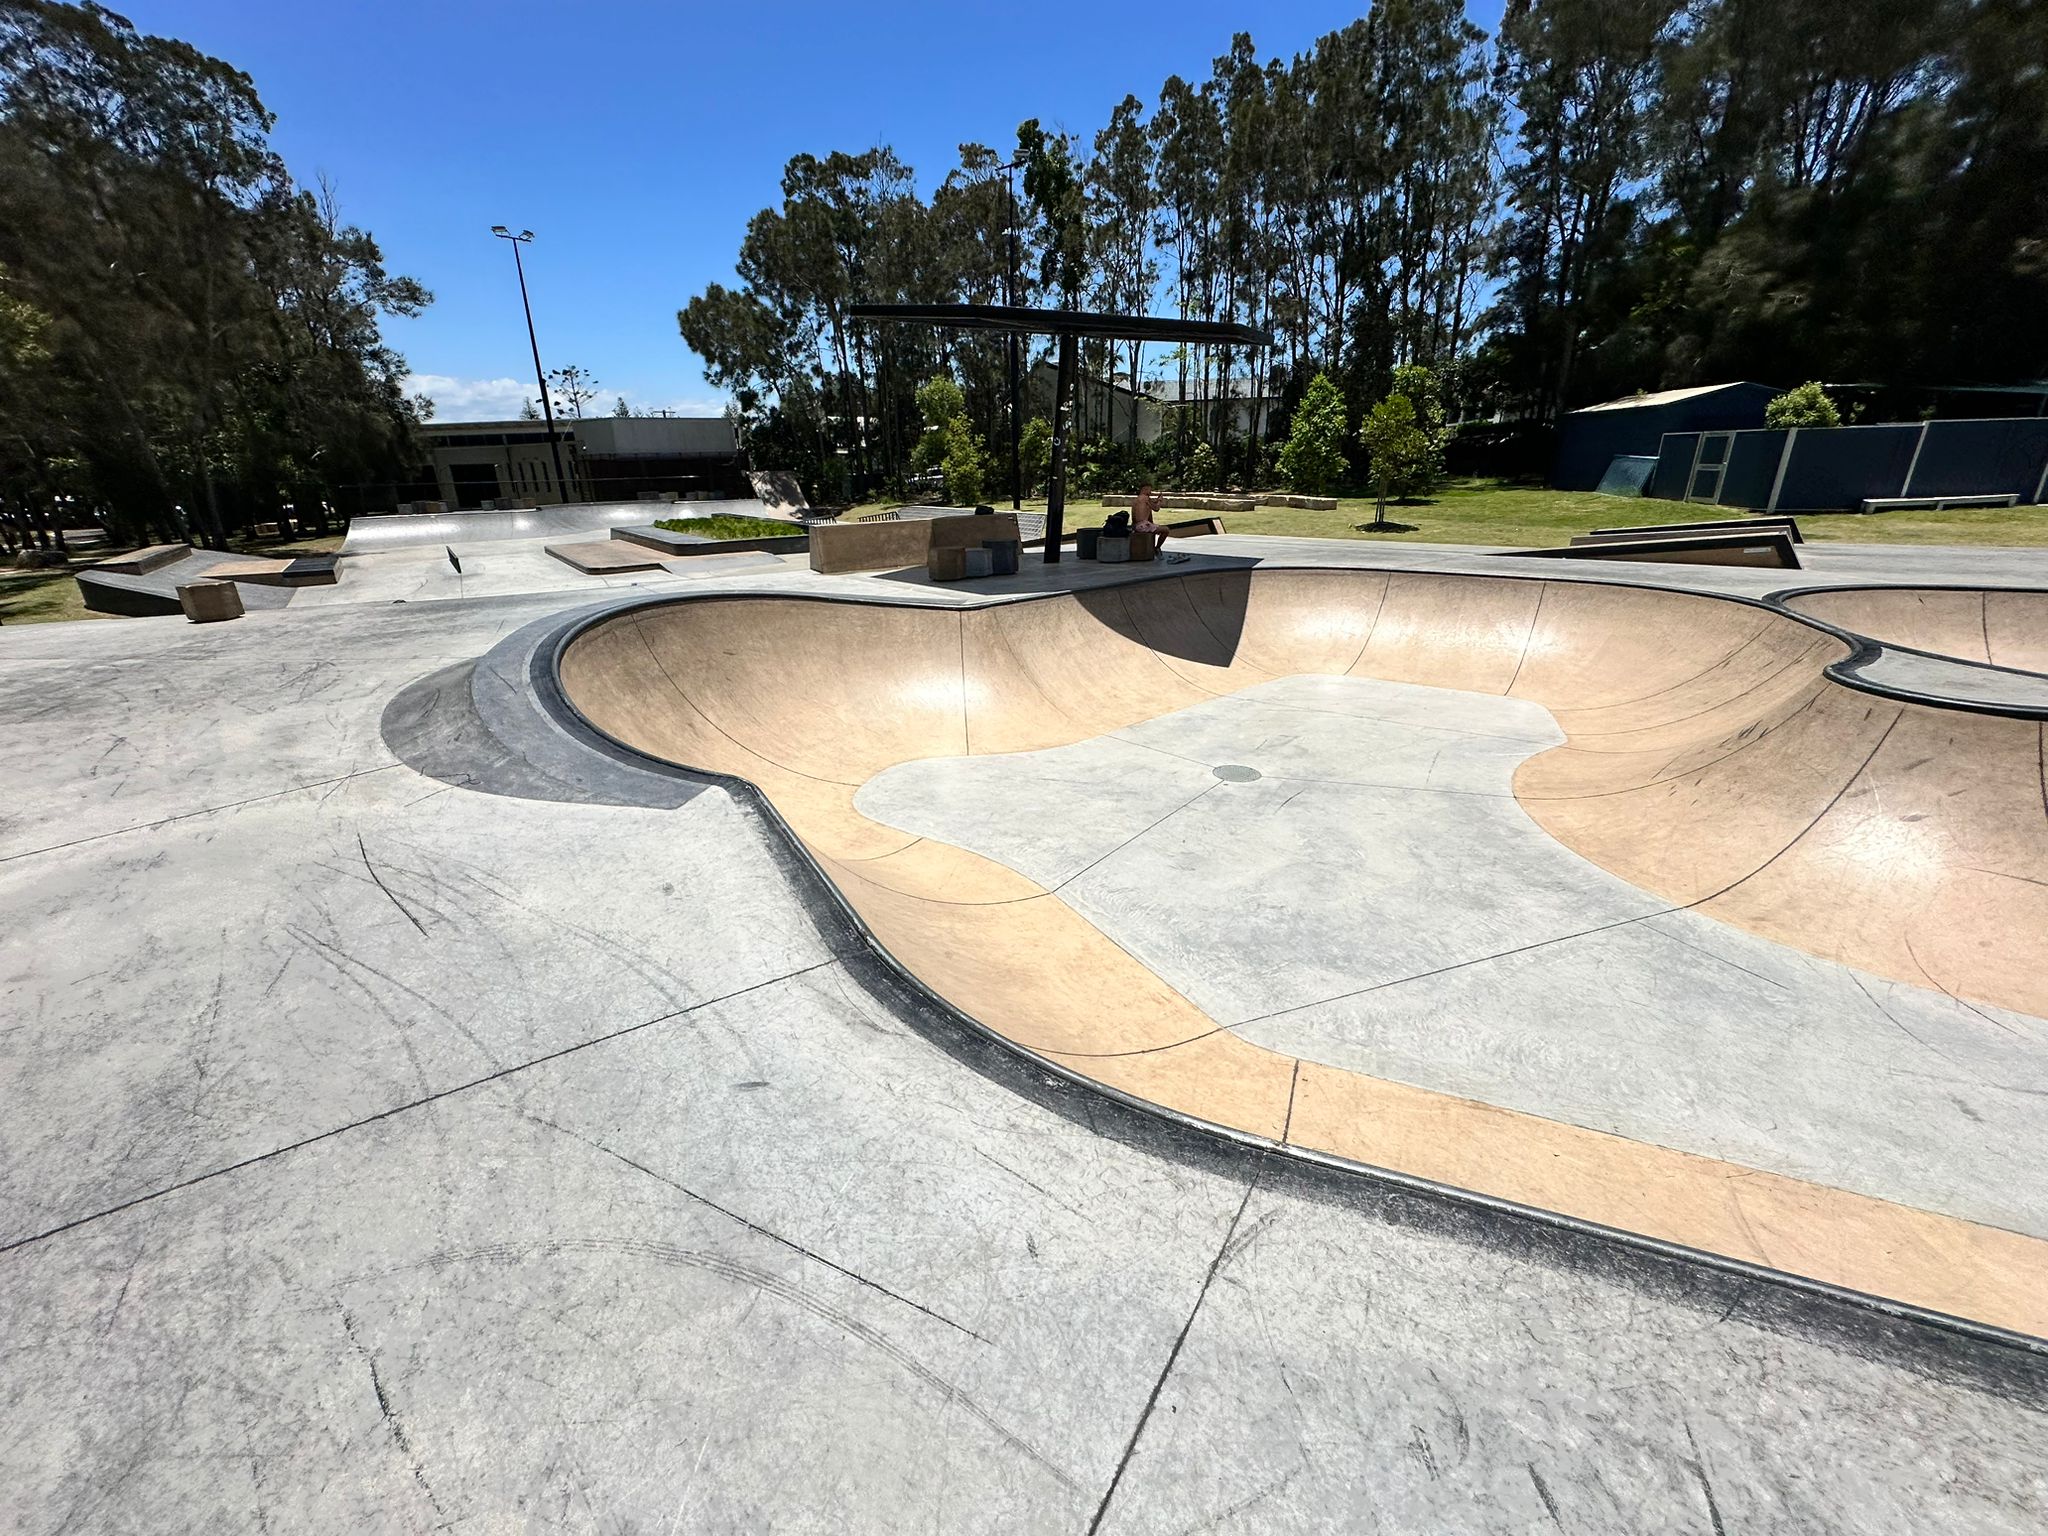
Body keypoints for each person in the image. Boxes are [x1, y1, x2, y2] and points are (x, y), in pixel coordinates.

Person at [1132, 482, 1167, 557]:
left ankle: (1150, 550)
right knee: (1166, 530)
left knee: (1153, 528)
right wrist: (1160, 500)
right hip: (1143, 525)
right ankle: (1157, 548)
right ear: (1145, 489)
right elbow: (1156, 508)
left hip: (1137, 525)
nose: (1150, 492)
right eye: (1149, 490)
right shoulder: (1145, 498)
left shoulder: (1137, 499)